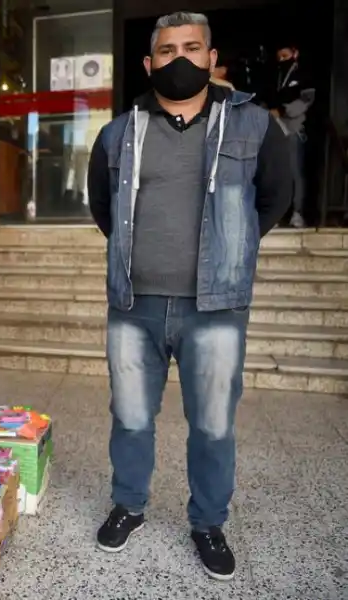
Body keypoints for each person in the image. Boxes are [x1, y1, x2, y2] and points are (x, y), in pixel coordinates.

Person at [86, 12, 291, 581]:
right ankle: (129, 506)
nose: (180, 59)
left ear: (211, 58)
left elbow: (274, 199)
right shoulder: (118, 133)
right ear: (148, 63)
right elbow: (103, 206)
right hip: (135, 306)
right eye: (167, 50)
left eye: (192, 48)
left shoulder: (254, 126)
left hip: (215, 308)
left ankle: (208, 523)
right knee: (130, 417)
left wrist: (229, 250)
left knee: (213, 424)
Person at [272, 42, 315, 227]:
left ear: (295, 53)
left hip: (295, 128)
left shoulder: (304, 74)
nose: (282, 60)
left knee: (295, 171)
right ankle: (277, 214)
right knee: (277, 174)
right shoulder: (277, 75)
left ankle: (298, 212)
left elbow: (307, 100)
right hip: (276, 129)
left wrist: (283, 110)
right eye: (279, 57)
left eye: (285, 56)